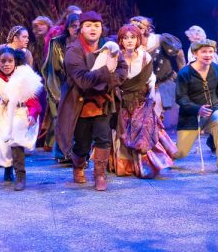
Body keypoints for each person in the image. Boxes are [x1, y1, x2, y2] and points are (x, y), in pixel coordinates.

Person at [56, 11, 128, 191]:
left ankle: (99, 175)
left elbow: (122, 70)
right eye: (88, 25)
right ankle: (78, 165)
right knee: (82, 143)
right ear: (81, 28)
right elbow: (83, 80)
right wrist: (106, 71)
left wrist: (109, 80)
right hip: (81, 103)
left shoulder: (109, 46)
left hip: (103, 101)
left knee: (103, 138)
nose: (93, 29)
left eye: (97, 25)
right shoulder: (74, 51)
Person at [111, 25, 177, 178]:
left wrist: (151, 97)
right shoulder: (116, 56)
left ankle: (147, 166)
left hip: (141, 98)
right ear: (120, 40)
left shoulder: (144, 56)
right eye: (125, 38)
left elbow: (149, 78)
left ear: (138, 39)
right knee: (122, 131)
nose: (129, 41)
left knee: (144, 128)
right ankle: (125, 166)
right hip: (122, 99)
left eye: (132, 37)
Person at [0, 47, 42, 191]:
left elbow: (33, 98)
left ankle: (20, 176)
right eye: (3, 61)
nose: (6, 64)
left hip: (21, 111)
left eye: (10, 61)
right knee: (3, 144)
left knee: (15, 140)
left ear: (15, 62)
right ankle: (8, 168)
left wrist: (32, 114)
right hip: (5, 110)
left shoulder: (23, 74)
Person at [174, 39, 218, 175]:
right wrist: (197, 109)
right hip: (190, 116)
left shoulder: (216, 69)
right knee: (180, 152)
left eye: (210, 52)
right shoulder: (185, 73)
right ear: (195, 53)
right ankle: (162, 153)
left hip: (213, 110)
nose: (208, 55)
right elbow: (181, 98)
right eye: (204, 52)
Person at [130, 16, 185, 127]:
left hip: (164, 83)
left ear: (145, 29)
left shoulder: (159, 40)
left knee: (154, 115)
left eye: (137, 28)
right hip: (142, 87)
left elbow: (179, 52)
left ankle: (153, 140)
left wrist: (182, 72)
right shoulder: (131, 45)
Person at [40, 13, 80, 158]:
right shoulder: (56, 43)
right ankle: (61, 154)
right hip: (57, 84)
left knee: (76, 122)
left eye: (79, 26)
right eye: (73, 26)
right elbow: (51, 70)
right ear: (67, 27)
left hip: (77, 88)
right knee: (59, 121)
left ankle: (74, 154)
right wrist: (56, 94)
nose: (76, 29)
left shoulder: (84, 44)